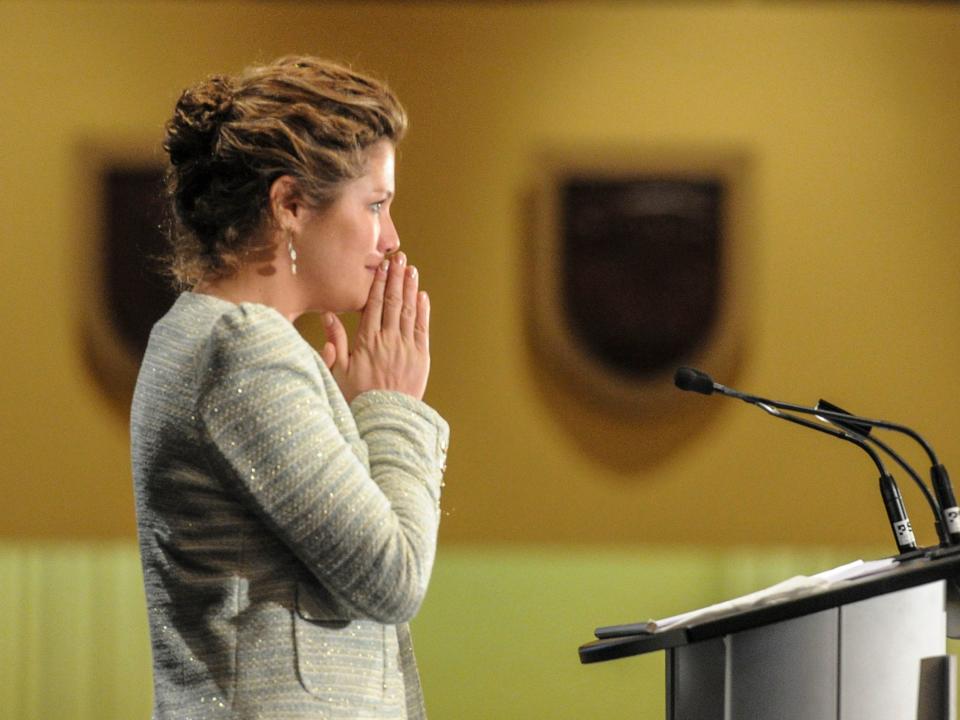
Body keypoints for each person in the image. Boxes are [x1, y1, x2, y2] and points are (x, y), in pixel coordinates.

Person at [130, 56, 450, 720]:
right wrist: (392, 408)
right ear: (291, 205)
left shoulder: (199, 334)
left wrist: (348, 427)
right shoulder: (243, 348)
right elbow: (392, 578)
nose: (389, 240)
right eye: (376, 205)